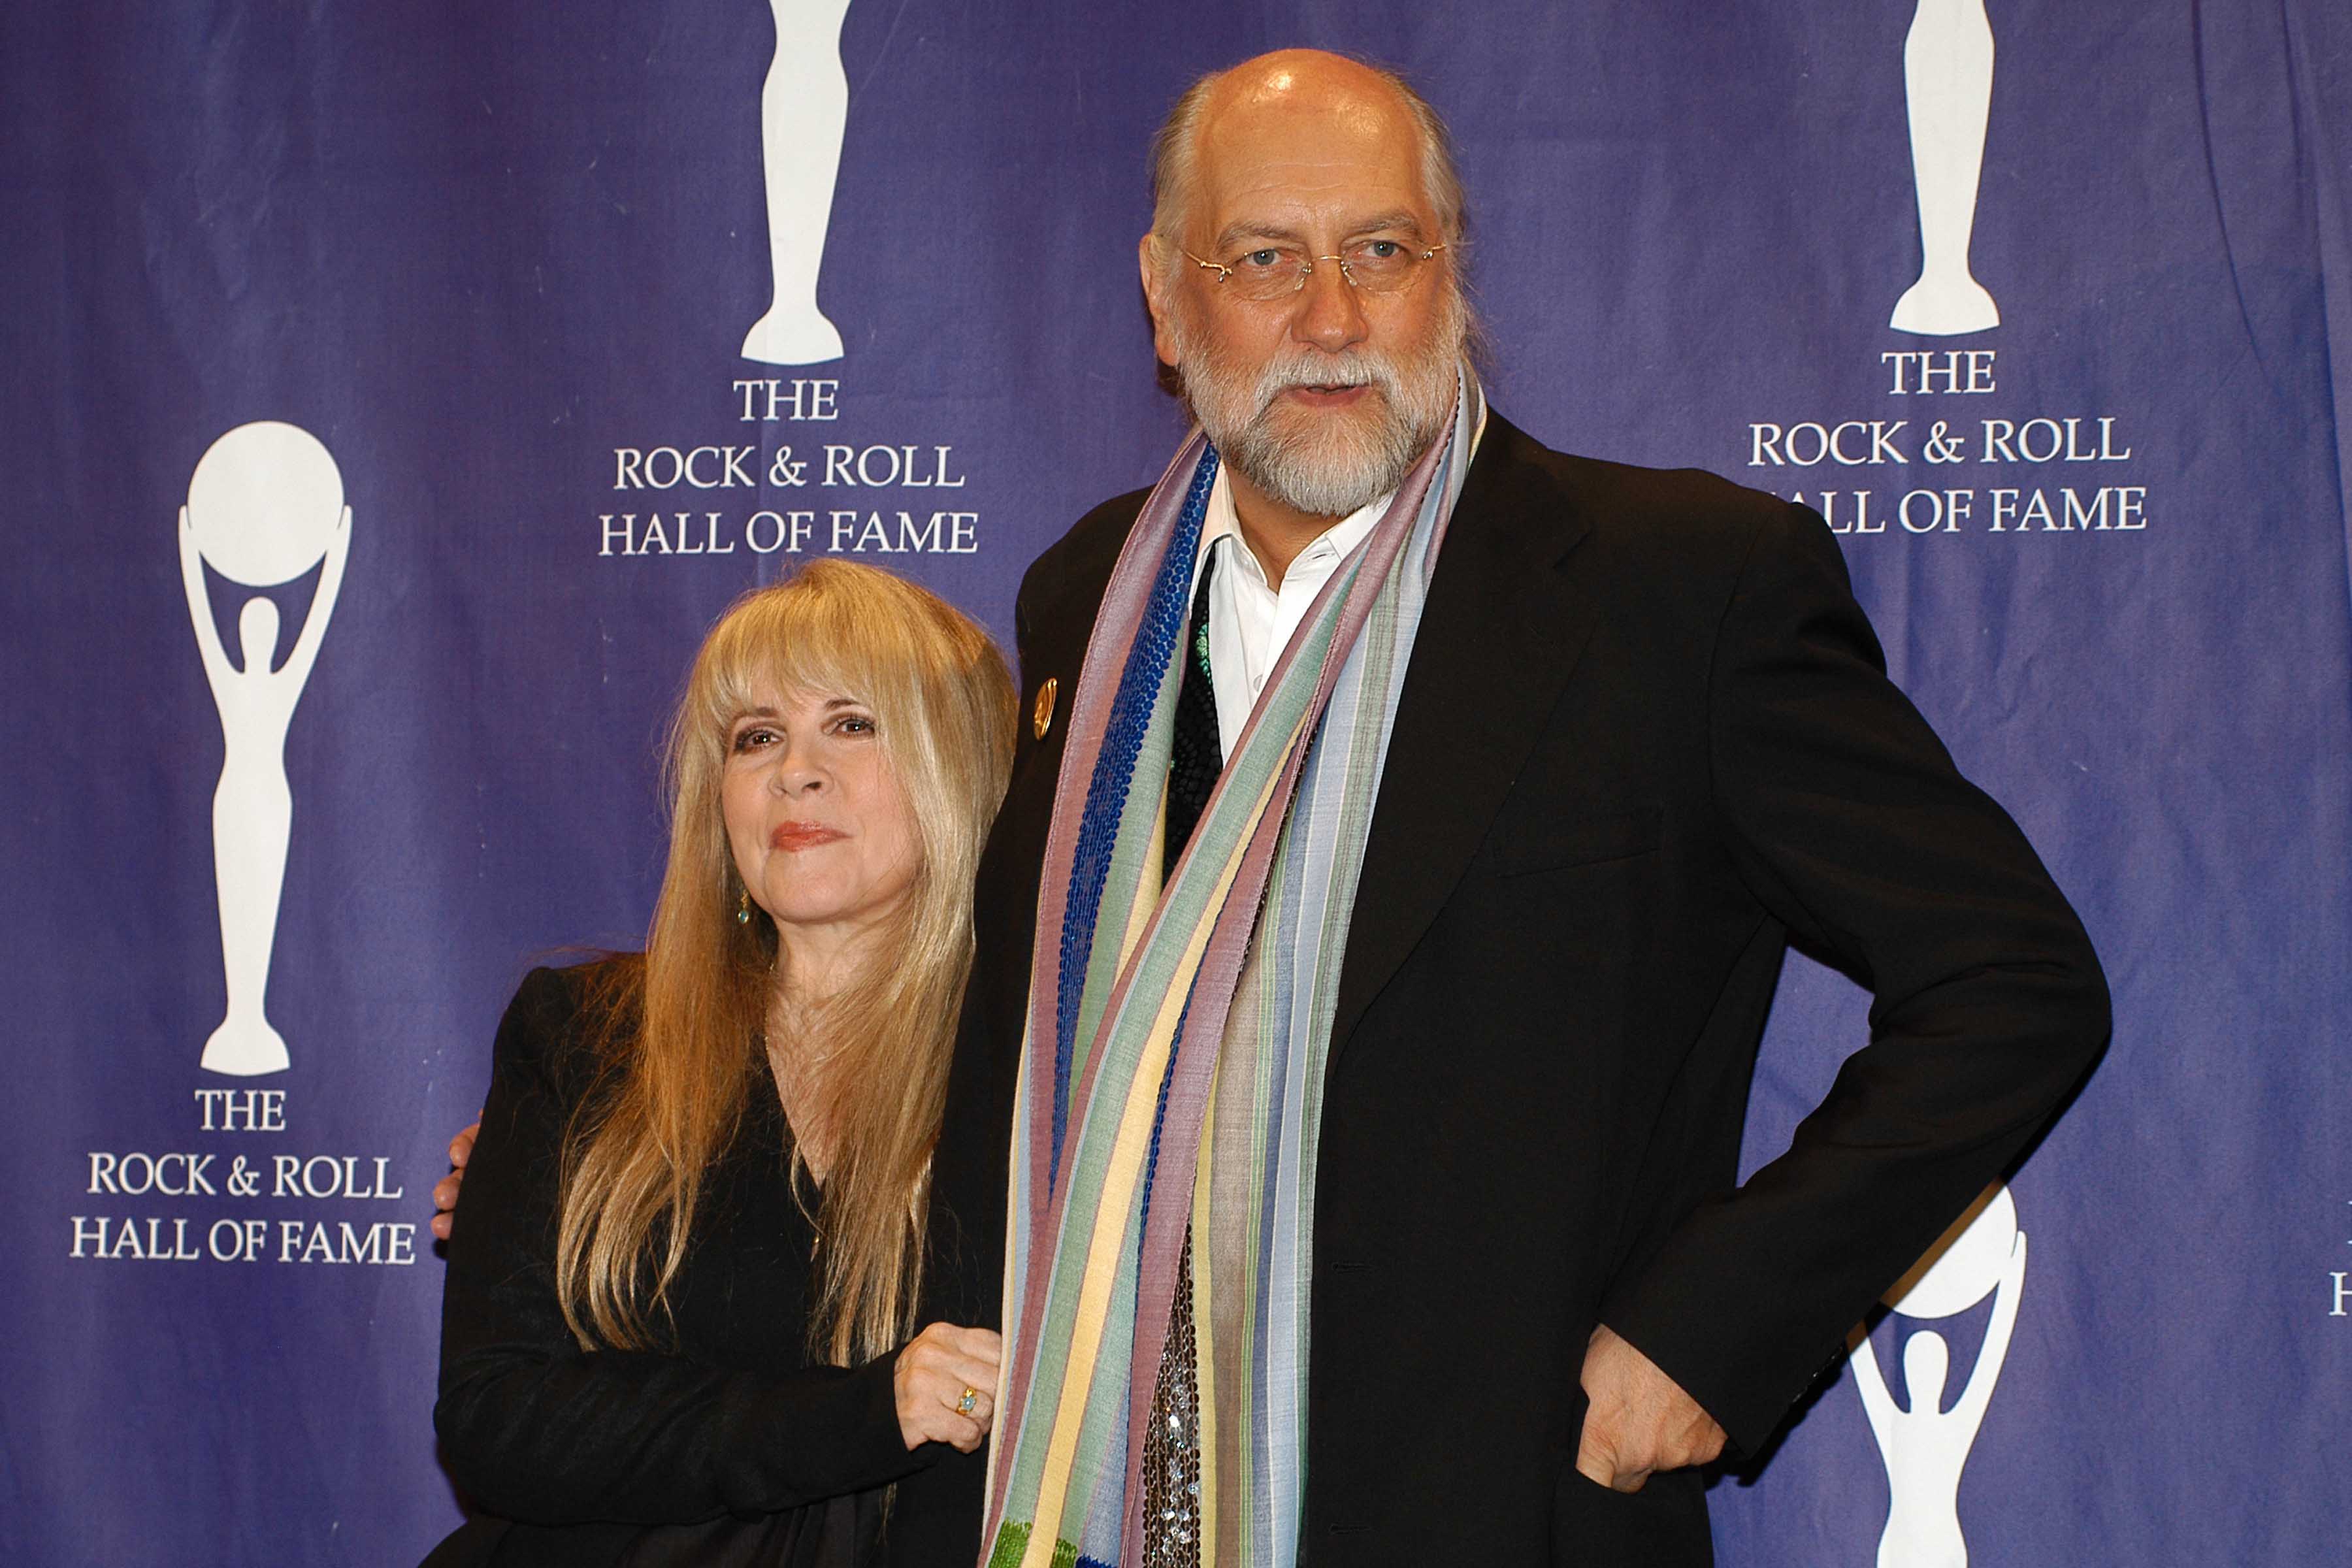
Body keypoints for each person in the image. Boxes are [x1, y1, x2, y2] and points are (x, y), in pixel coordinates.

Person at [442, 50, 2108, 1567]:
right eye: (1266, 259)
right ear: (1170, 305)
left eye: (1384, 251)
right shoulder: (1088, 605)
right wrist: (612, 1157)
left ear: (1449, 278)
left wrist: (1719, 1326)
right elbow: (1022, 1034)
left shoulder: (1680, 591)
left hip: (1485, 1512)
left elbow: (2010, 981)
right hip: (1066, 1509)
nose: (1330, 315)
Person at [427, 561, 1017, 1568]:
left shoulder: (1037, 1069)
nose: (797, 769)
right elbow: (498, 1419)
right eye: (758, 737)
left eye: (854, 722)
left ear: (956, 766)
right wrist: (864, 1413)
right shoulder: (586, 1037)